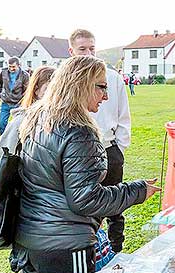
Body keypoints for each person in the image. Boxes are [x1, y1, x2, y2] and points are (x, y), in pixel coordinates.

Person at [11, 55, 160, 273]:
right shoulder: (79, 133)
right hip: (65, 244)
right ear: (80, 84)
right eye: (101, 87)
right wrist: (137, 190)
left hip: (32, 239)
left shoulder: (37, 118)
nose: (106, 96)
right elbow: (86, 200)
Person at [69, 29, 131, 253]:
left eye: (92, 48)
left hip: (108, 149)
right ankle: (91, 250)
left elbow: (123, 117)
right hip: (78, 155)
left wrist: (118, 150)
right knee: (86, 205)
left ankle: (116, 249)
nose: (88, 53)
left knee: (115, 204)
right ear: (72, 51)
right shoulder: (66, 80)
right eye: (82, 49)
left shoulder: (112, 78)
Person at [0, 66, 55, 180]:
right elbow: (2, 161)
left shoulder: (62, 122)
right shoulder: (21, 121)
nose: (54, 96)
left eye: (58, 91)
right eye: (49, 90)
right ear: (36, 90)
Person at [0, 57, 30, 135]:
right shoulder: (3, 72)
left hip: (18, 104)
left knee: (19, 126)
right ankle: (3, 141)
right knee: (1, 124)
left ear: (19, 65)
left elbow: (27, 91)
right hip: (5, 103)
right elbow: (0, 84)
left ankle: (17, 142)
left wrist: (23, 102)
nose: (11, 68)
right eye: (9, 66)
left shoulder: (25, 75)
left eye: (13, 67)